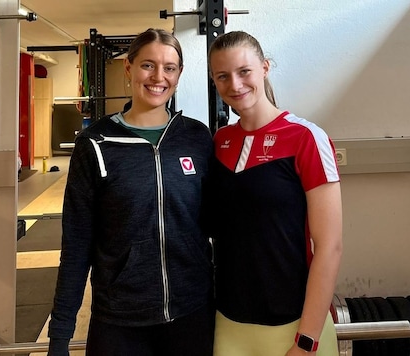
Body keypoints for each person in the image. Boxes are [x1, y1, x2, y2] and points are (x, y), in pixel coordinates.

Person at [48, 28, 215, 356]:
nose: (158, 77)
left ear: (179, 74)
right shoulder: (96, 144)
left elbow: (217, 224)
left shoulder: (196, 138)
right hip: (120, 322)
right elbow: (77, 243)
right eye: (147, 65)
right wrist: (60, 334)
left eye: (169, 68)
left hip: (192, 313)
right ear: (129, 68)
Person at [206, 31, 343, 356]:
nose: (235, 85)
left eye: (244, 72)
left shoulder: (306, 138)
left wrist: (307, 341)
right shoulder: (218, 143)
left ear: (265, 67)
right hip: (230, 324)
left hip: (294, 327)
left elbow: (330, 247)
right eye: (222, 76)